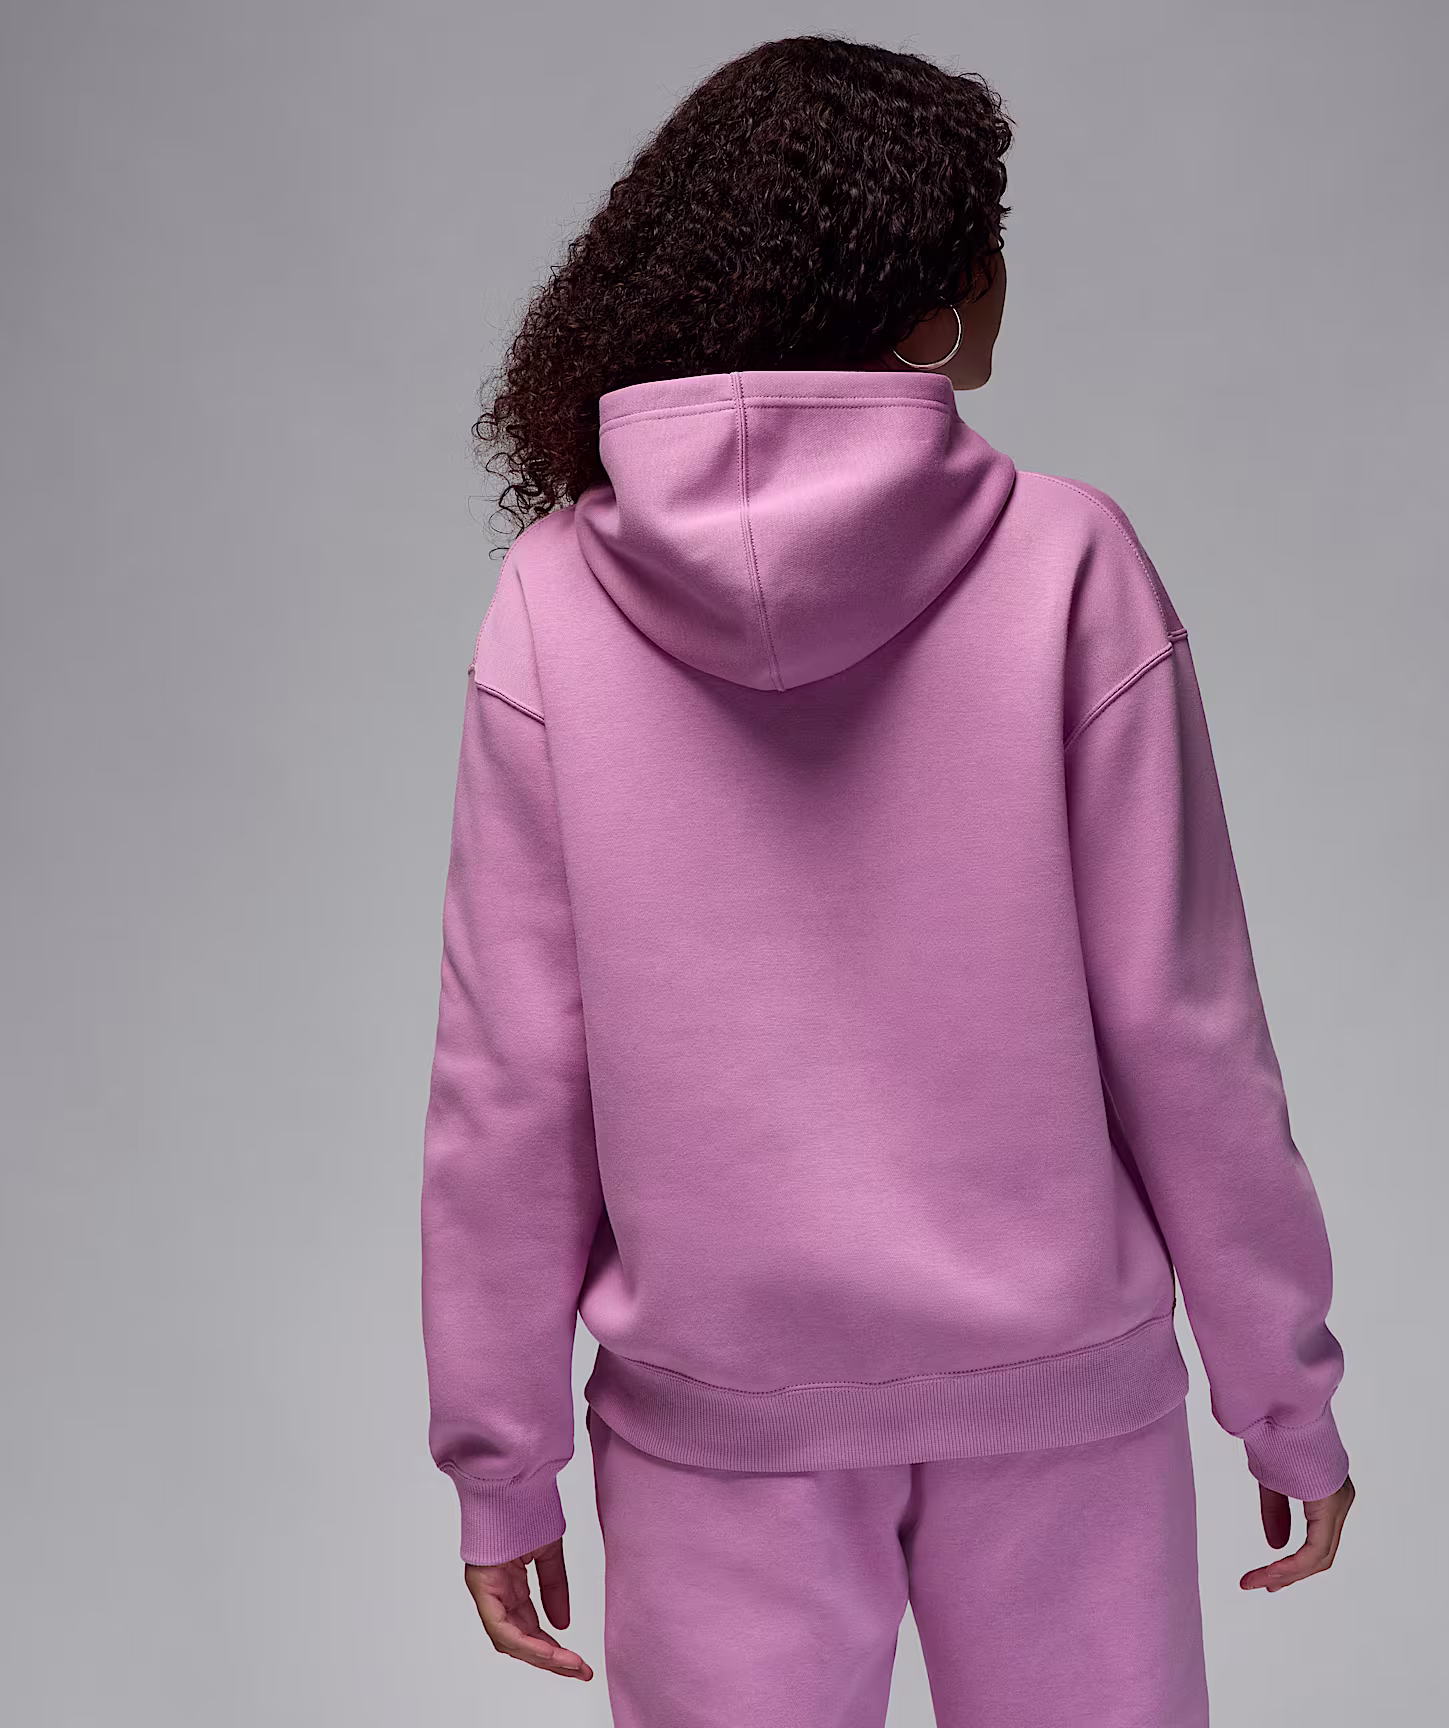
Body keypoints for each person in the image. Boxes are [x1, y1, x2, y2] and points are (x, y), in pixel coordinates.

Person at [420, 32, 1355, 1727]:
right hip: (1064, 1400)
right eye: (987, 242)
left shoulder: (551, 601)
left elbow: (510, 1079)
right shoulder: (1070, 562)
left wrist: (504, 1465)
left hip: (713, 1421)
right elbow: (1186, 1025)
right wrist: (1281, 1395)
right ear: (925, 302)